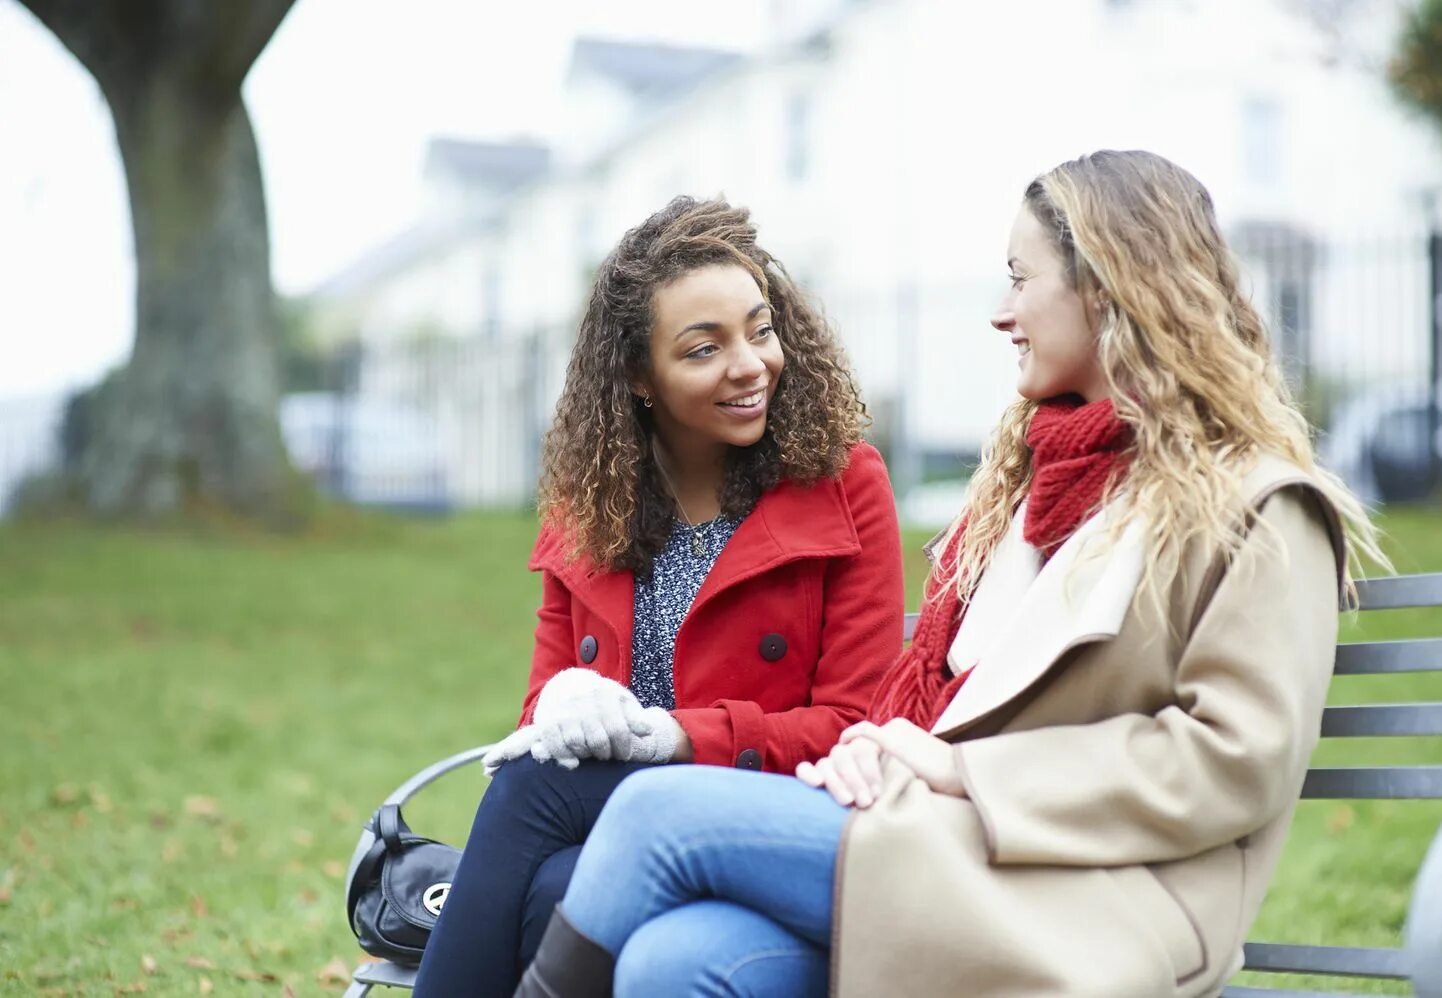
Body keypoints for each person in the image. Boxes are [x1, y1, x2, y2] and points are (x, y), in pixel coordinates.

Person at [516, 150, 1387, 998]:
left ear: (1110, 287)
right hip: (942, 848)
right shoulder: (1025, 495)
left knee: (650, 814)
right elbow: (921, 704)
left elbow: (1233, 760)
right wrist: (878, 751)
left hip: (1088, 894)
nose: (1001, 313)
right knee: (675, 960)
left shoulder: (1261, 508)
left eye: (1021, 278)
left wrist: (955, 772)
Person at [411, 196, 906, 996]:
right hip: (608, 826)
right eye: (705, 349)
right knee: (553, 878)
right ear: (640, 377)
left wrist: (675, 738)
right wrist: (565, 696)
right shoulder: (593, 501)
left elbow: (856, 725)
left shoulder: (843, 483)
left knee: (538, 802)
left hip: (777, 815)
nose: (750, 365)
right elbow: (546, 706)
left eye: (762, 330)